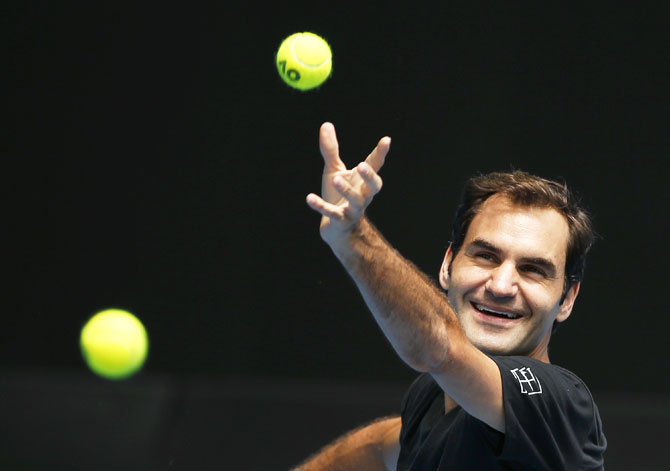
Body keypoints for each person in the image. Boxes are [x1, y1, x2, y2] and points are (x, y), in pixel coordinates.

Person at [293, 122, 607, 470]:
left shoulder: (558, 401)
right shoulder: (429, 398)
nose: (501, 286)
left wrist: (352, 238)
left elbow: (440, 349)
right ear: (448, 265)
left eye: (533, 269)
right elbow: (381, 444)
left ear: (566, 299)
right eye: (486, 256)